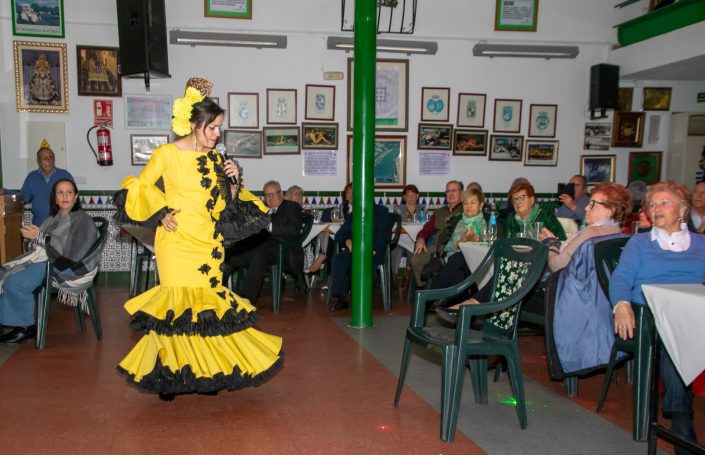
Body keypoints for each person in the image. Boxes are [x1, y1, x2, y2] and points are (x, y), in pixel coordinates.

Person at [115, 78, 282, 400]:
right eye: (212, 128)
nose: (217, 134)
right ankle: (170, 376)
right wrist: (159, 212)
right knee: (176, 310)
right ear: (194, 125)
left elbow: (224, 205)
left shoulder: (217, 159)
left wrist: (234, 183)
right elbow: (140, 186)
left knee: (206, 311)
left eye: (219, 128)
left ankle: (205, 374)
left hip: (208, 243)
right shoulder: (167, 153)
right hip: (175, 241)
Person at [610, 181, 705, 450]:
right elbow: (621, 277)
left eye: (664, 202)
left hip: (693, 314)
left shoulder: (701, 243)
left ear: (682, 210)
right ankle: (681, 422)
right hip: (650, 316)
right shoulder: (640, 243)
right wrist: (621, 303)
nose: (656, 208)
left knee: (681, 333)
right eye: (652, 204)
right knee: (674, 341)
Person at [540, 183, 632, 375]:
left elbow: (557, 265)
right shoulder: (619, 234)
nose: (586, 208)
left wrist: (550, 243)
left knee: (516, 291)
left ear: (612, 210)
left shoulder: (590, 233)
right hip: (600, 300)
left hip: (572, 299)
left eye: (593, 204)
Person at [0, 179, 98, 344]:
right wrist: (31, 238)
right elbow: (38, 248)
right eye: (60, 193)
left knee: (16, 282)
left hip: (70, 268)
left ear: (76, 197)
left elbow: (71, 255)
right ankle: (15, 321)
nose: (65, 196)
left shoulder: (82, 220)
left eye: (69, 192)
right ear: (55, 198)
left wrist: (40, 237)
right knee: (7, 272)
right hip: (51, 261)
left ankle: (25, 327)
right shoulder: (51, 219)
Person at [226, 180, 304, 306]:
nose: (270, 198)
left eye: (273, 194)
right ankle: (216, 291)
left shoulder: (292, 207)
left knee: (259, 256)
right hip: (262, 246)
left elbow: (293, 230)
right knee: (230, 256)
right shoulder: (261, 208)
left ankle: (247, 299)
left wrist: (269, 226)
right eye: (267, 195)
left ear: (281, 194)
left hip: (283, 249)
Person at [329, 189, 393, 311]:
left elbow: (384, 236)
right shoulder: (354, 214)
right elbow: (340, 234)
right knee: (337, 260)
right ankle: (340, 297)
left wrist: (373, 250)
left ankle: (363, 298)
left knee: (367, 265)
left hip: (374, 251)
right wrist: (347, 241)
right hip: (355, 251)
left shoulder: (381, 212)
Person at [428, 188, 487, 302]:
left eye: (472, 203)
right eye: (465, 203)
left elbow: (481, 240)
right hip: (453, 255)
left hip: (472, 259)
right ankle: (435, 298)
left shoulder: (482, 223)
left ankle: (435, 299)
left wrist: (471, 238)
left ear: (481, 206)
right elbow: (453, 245)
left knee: (459, 275)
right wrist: (462, 240)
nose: (468, 206)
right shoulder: (460, 222)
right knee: (458, 259)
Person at [409, 180, 464, 287]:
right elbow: (426, 229)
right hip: (436, 247)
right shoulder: (439, 212)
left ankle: (442, 288)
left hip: (456, 248)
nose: (451, 194)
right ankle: (425, 287)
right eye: (448, 191)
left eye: (454, 191)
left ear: (461, 193)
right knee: (415, 259)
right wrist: (421, 238)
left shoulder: (466, 210)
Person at [305, 183, 352, 275]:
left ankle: (322, 256)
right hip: (340, 236)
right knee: (326, 230)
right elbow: (325, 214)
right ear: (345, 196)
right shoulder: (343, 208)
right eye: (348, 193)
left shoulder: (363, 209)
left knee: (330, 235)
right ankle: (323, 257)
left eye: (353, 192)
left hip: (352, 237)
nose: (350, 195)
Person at [21, 146, 74, 225]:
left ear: (54, 159)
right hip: (39, 226)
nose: (48, 160)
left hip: (61, 226)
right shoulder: (31, 177)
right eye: (44, 157)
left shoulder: (65, 175)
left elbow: (74, 199)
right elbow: (23, 198)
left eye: (50, 157)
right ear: (38, 161)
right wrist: (6, 192)